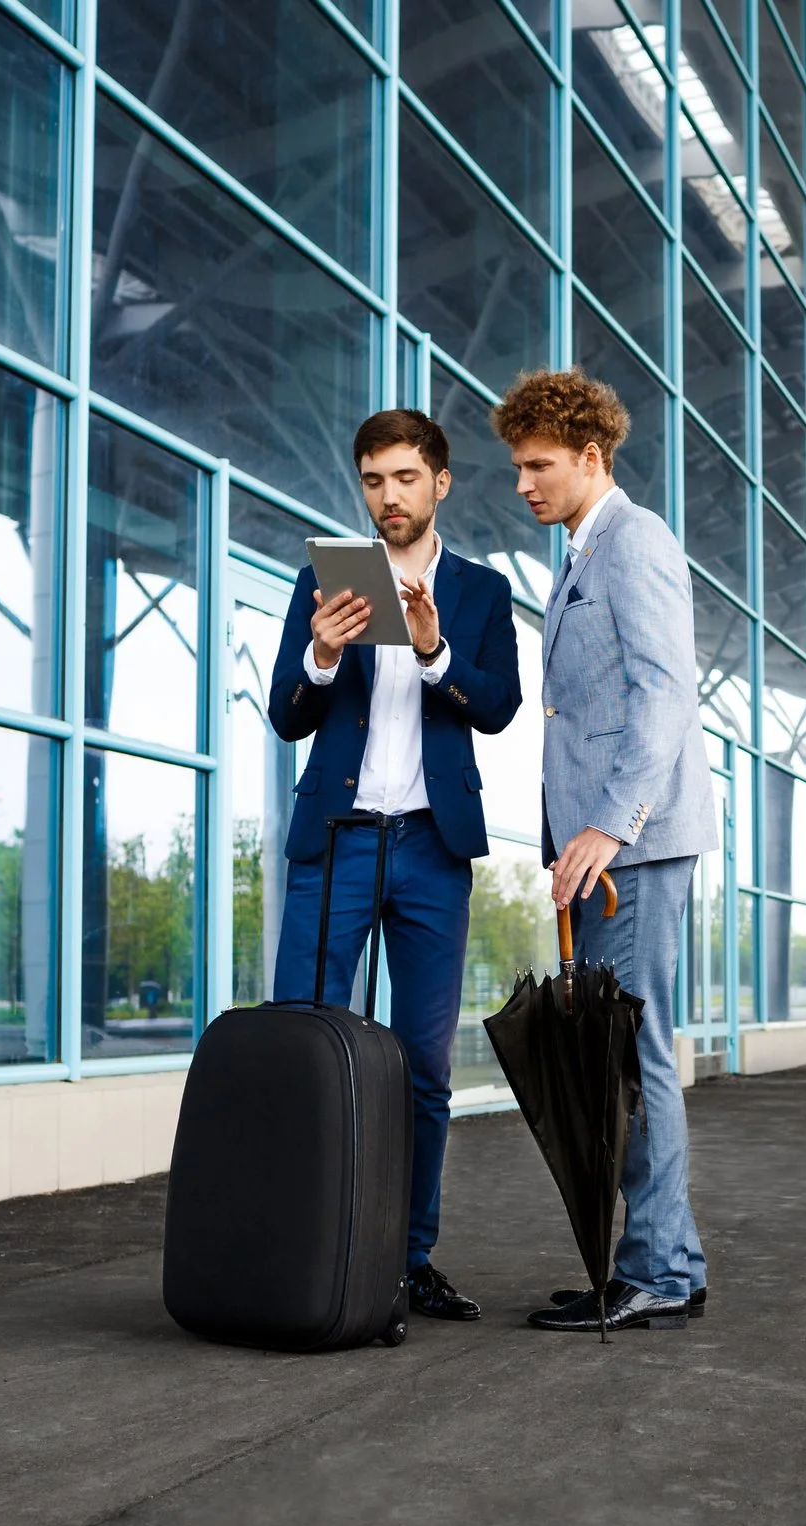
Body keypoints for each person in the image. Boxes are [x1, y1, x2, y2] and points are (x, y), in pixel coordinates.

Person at [266, 409, 522, 1323]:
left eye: (406, 478)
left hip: (430, 847)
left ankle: (408, 1259)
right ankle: (293, 1243)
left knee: (422, 1067)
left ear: (441, 482)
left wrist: (433, 649)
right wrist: (324, 653)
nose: (389, 496)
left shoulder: (483, 593)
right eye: (374, 480)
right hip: (334, 840)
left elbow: (498, 706)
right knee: (302, 1047)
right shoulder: (324, 584)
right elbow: (287, 713)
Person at [495, 370, 718, 1334]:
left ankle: (663, 1270)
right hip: (598, 853)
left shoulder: (635, 541)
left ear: (592, 458)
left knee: (635, 1054)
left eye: (540, 465)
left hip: (634, 845)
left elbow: (665, 693)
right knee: (616, 1055)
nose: (525, 484)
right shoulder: (583, 555)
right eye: (516, 467)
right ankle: (644, 1262)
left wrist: (608, 824)